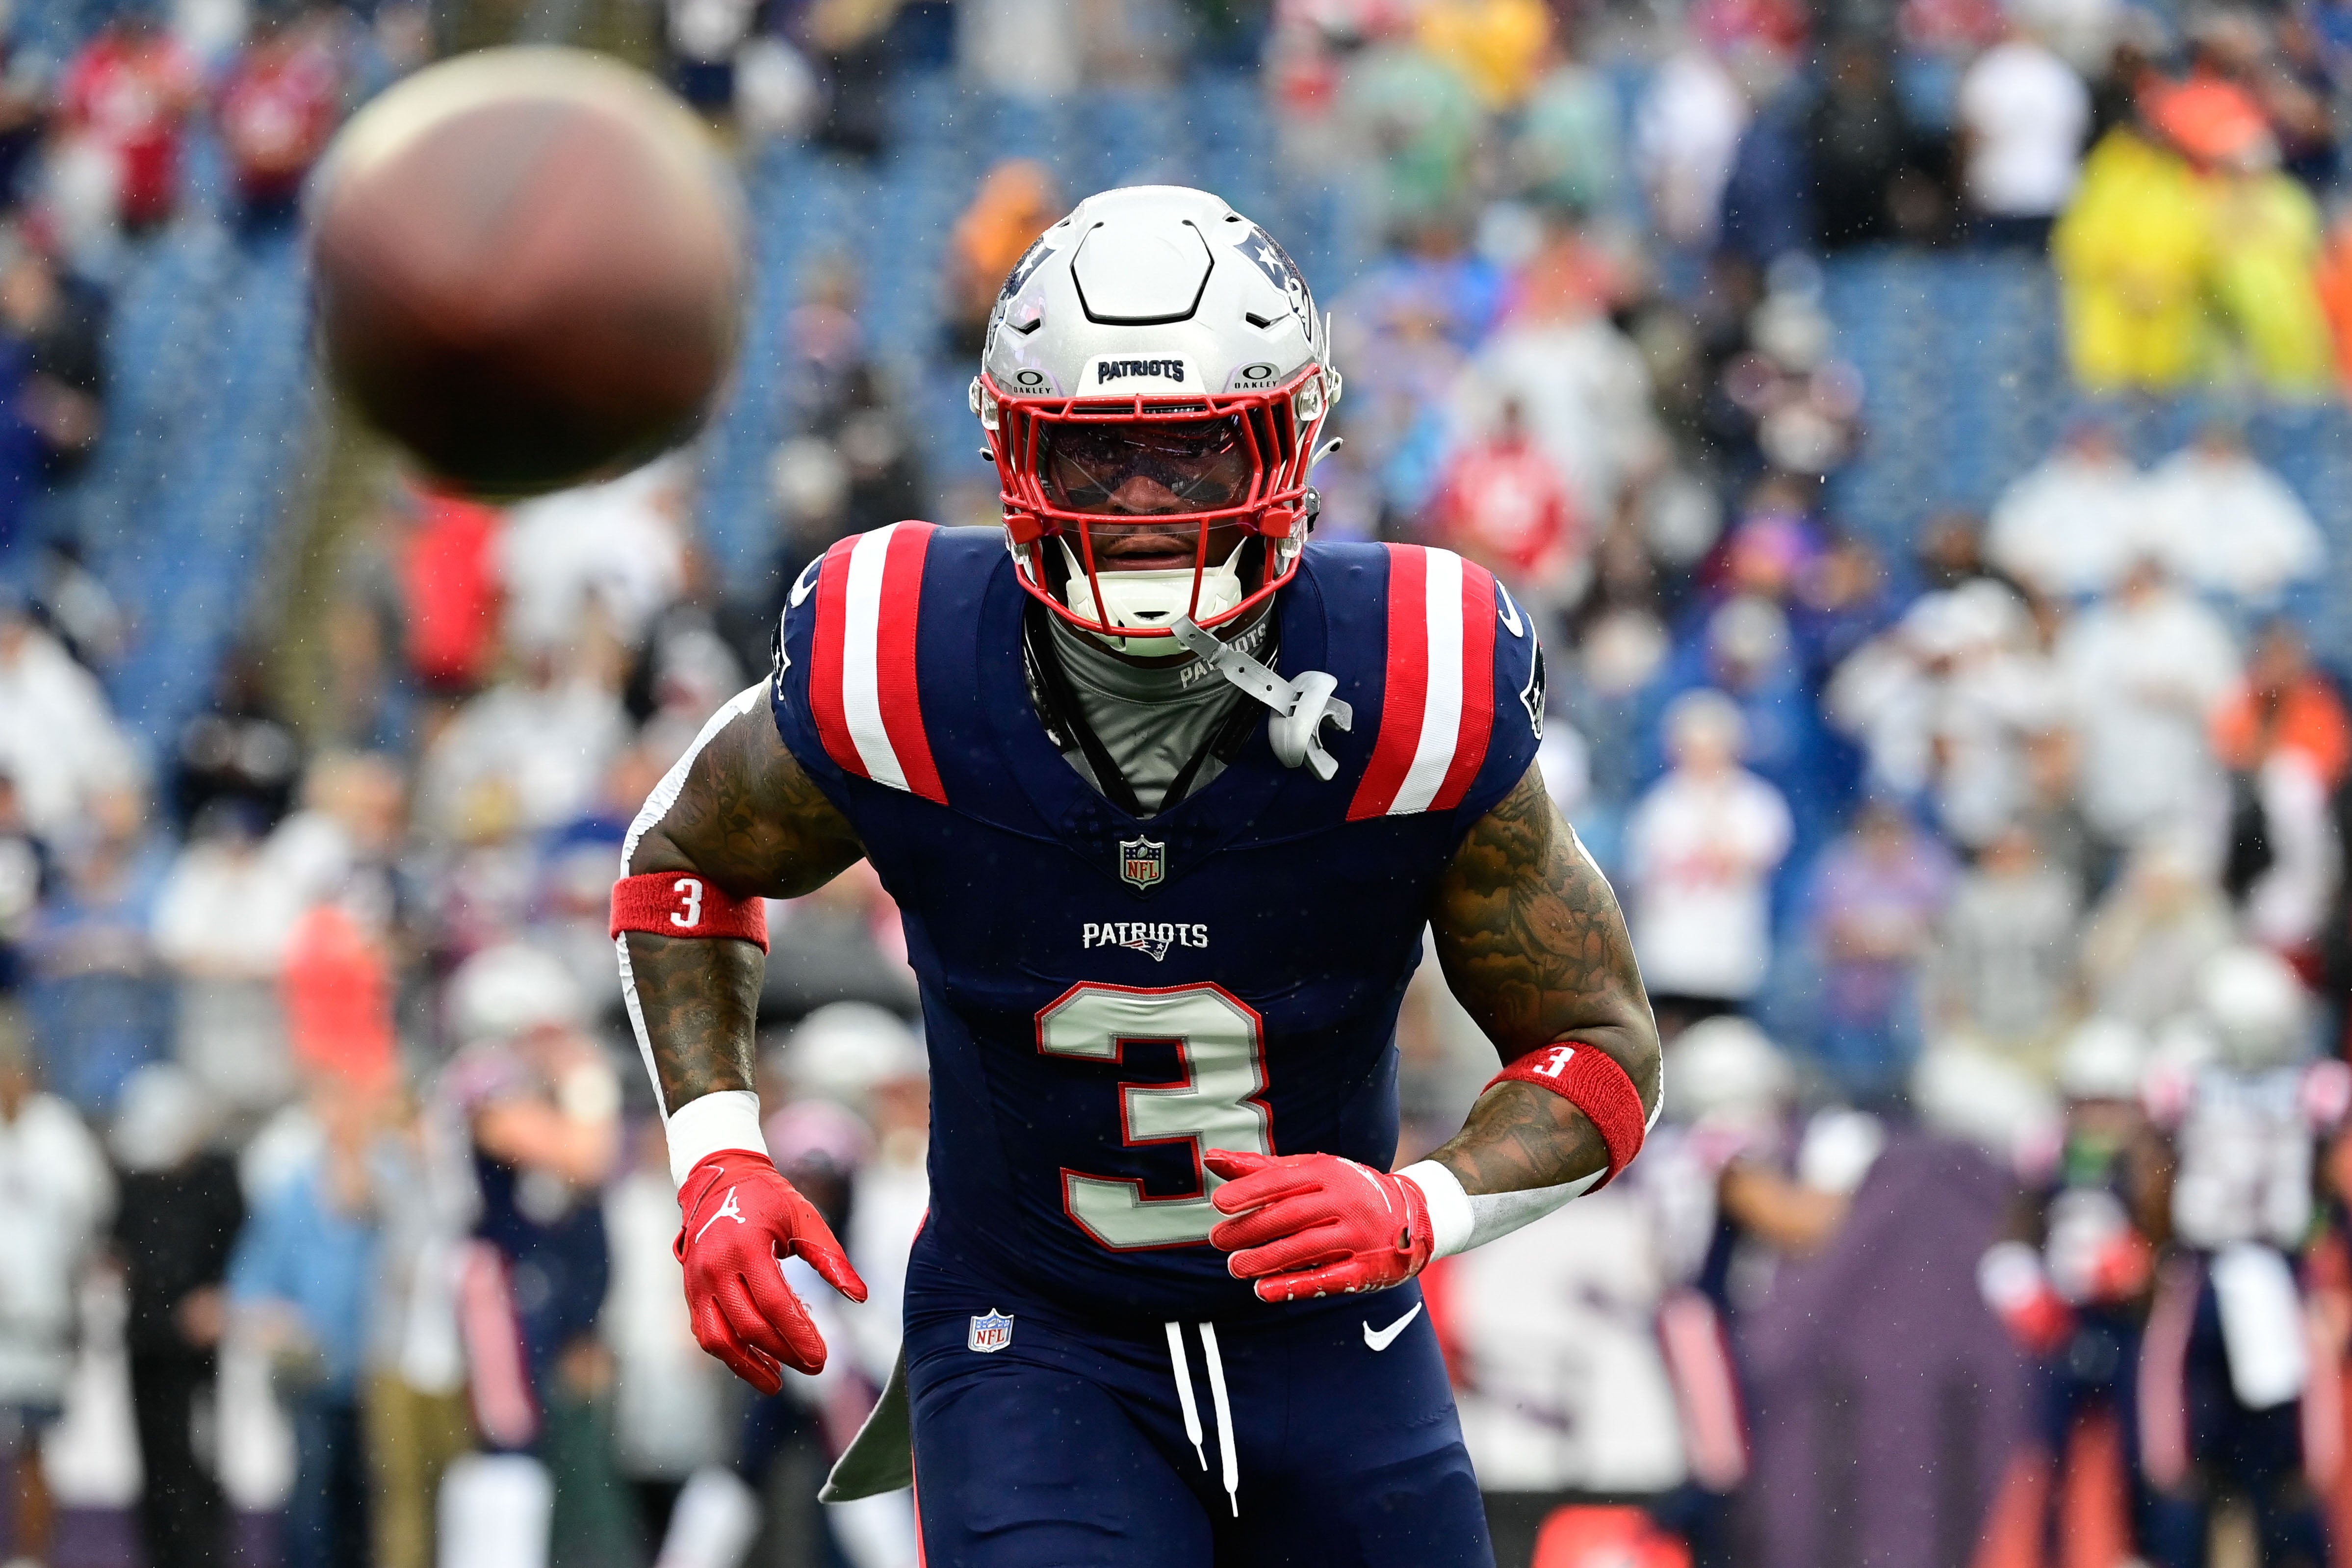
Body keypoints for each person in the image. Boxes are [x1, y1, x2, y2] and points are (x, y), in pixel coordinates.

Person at [613, 186, 1661, 1566]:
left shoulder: (1419, 671)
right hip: (1034, 1336)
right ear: (1011, 448)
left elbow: (1598, 1048)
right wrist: (717, 1156)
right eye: (1101, 459)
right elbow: (682, 867)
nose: (1151, 507)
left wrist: (1423, 1205)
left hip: (1334, 1338)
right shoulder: (901, 656)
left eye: (1196, 451)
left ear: (1292, 436)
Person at [108, 1063, 245, 1568]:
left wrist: (219, 1301)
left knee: (198, 1461)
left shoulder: (217, 1179)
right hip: (147, 1340)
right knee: (155, 1461)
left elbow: (240, 1254)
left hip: (197, 1348)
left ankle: (201, 1555)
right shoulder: (136, 1183)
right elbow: (124, 1250)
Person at [0, 1017, 112, 1568]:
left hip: (40, 1321)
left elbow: (89, 1214)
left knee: (34, 1445)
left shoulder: (58, 1133)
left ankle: (31, 1557)